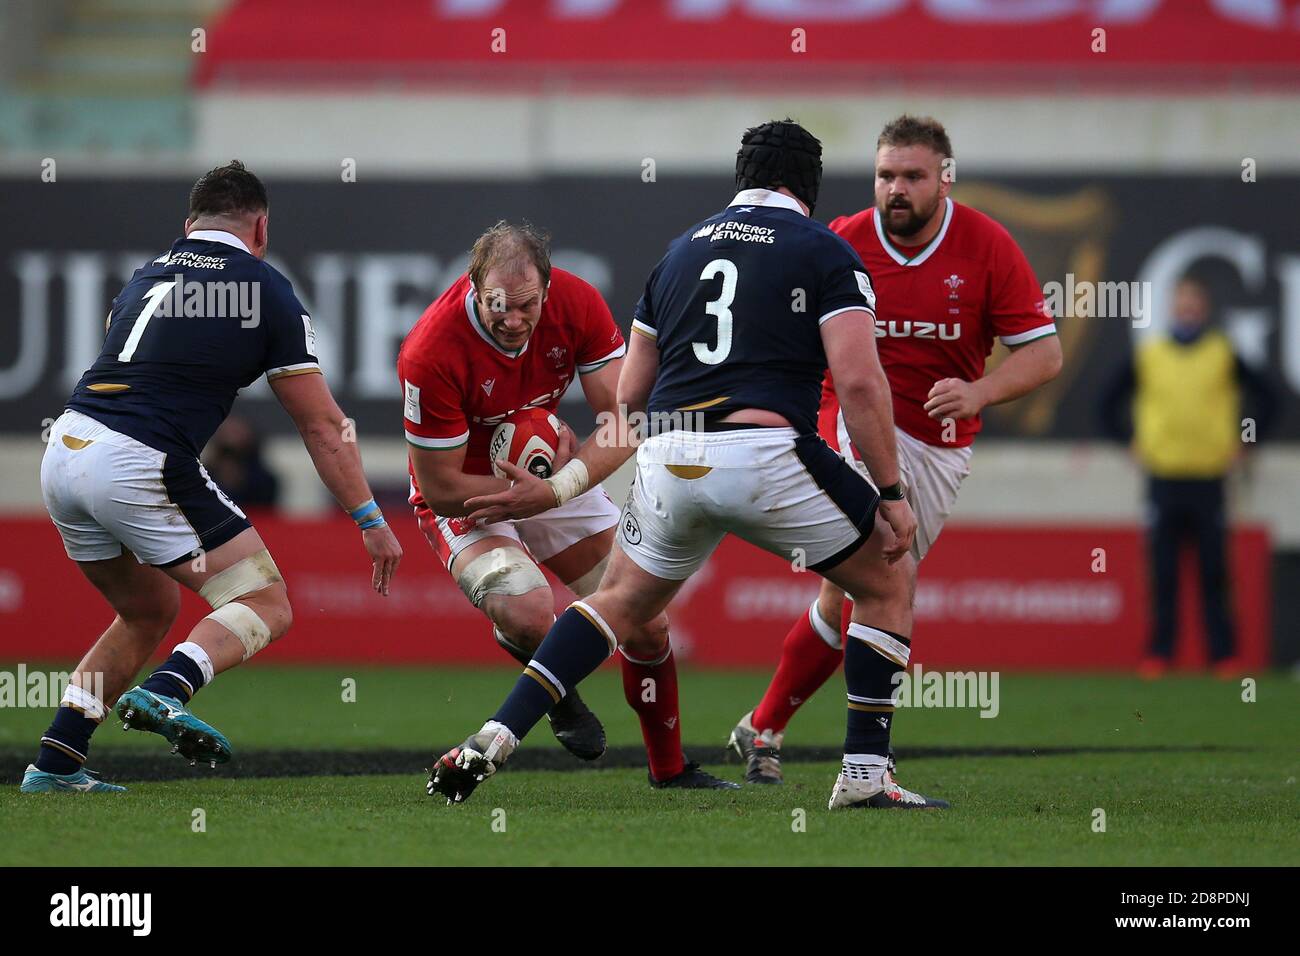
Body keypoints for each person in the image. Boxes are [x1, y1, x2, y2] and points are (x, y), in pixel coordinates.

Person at [429, 119, 947, 810]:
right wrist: (889, 491)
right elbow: (857, 382)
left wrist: (576, 478)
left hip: (672, 457)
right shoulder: (827, 251)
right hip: (766, 451)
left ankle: (495, 734)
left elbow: (631, 401)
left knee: (617, 602)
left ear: (742, 178)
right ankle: (863, 775)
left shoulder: (678, 254)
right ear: (809, 186)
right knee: (888, 578)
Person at [24, 160, 402, 793]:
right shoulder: (265, 288)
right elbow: (321, 426)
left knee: (148, 607)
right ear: (260, 227)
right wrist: (369, 517)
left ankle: (56, 764)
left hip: (65, 449)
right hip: (137, 460)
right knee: (265, 602)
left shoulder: (147, 276)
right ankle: (167, 692)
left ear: (188, 225)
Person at [729, 114, 1062, 784]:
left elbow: (1046, 354)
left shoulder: (987, 246)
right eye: (886, 175)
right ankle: (866, 767)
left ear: (944, 178)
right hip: (848, 423)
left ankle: (762, 726)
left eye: (912, 176)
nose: (896, 189)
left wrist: (980, 392)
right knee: (889, 577)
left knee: (846, 597)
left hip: (940, 445)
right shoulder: (842, 241)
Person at [399, 221, 729, 787]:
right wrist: (518, 497)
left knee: (647, 623)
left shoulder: (577, 302)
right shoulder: (430, 351)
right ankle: (557, 695)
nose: (511, 319)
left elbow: (625, 421)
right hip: (468, 492)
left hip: (547, 478)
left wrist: (556, 487)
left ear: (547, 290)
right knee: (528, 614)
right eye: (496, 305)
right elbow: (437, 486)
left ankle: (670, 771)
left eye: (525, 305)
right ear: (473, 287)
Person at [1099, 272, 1277, 678]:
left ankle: (1224, 656)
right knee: (1162, 570)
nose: (1188, 309)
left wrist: (1246, 441)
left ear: (1205, 307)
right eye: (1182, 301)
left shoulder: (1222, 352)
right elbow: (1106, 403)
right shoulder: (1151, 354)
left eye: (1195, 302)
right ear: (1172, 307)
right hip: (1163, 478)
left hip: (1209, 478)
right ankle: (1160, 653)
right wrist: (1130, 440)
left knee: (1214, 570)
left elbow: (1267, 399)